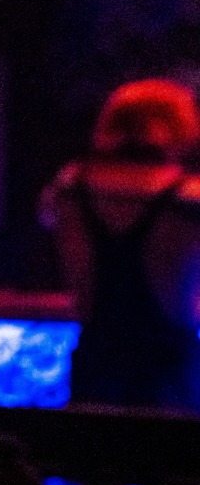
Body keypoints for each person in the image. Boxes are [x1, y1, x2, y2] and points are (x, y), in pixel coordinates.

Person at [40, 78, 200, 411]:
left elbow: (48, 224)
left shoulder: (69, 188)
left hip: (96, 356)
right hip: (168, 361)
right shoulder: (188, 197)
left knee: (92, 443)